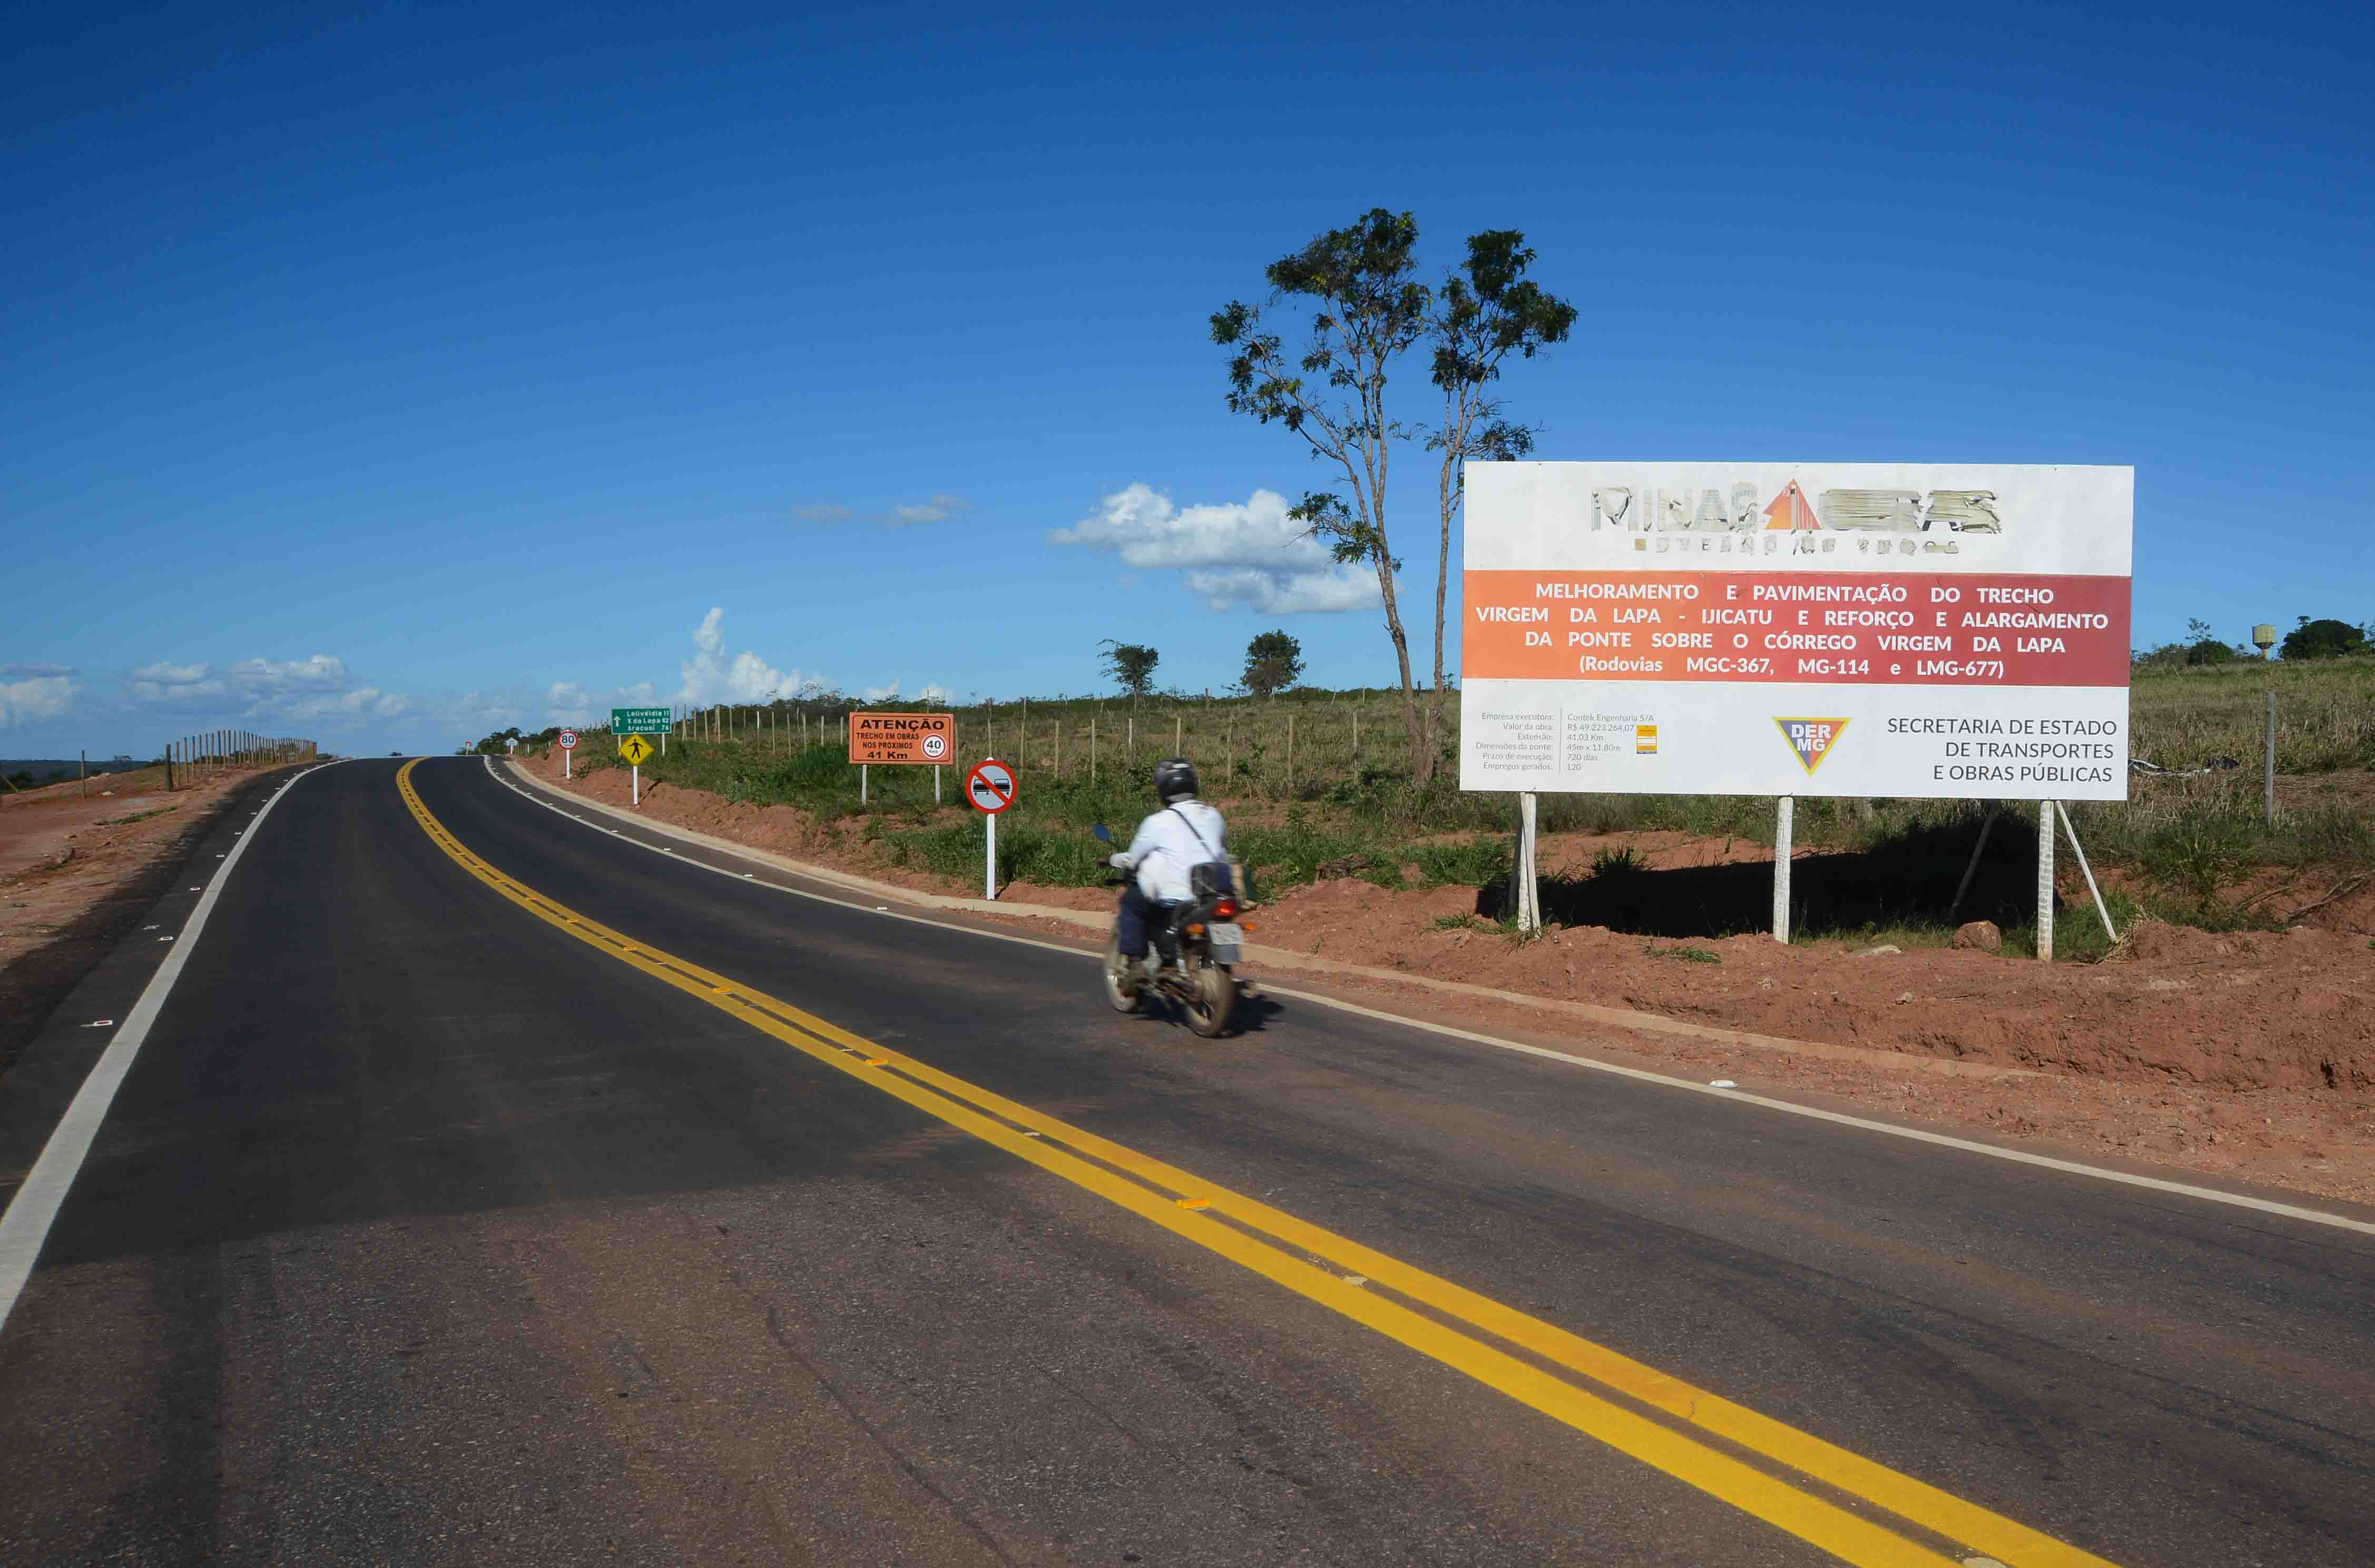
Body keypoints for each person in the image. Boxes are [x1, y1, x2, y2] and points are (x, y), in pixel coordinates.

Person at [1107, 756, 1227, 977]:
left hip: (1176, 899)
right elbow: (1222, 850)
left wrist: (1114, 859)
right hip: (1210, 894)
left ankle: (1135, 963)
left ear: (1163, 789)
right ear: (1193, 784)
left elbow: (1133, 859)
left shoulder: (1156, 822)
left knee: (1131, 904)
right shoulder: (1214, 816)